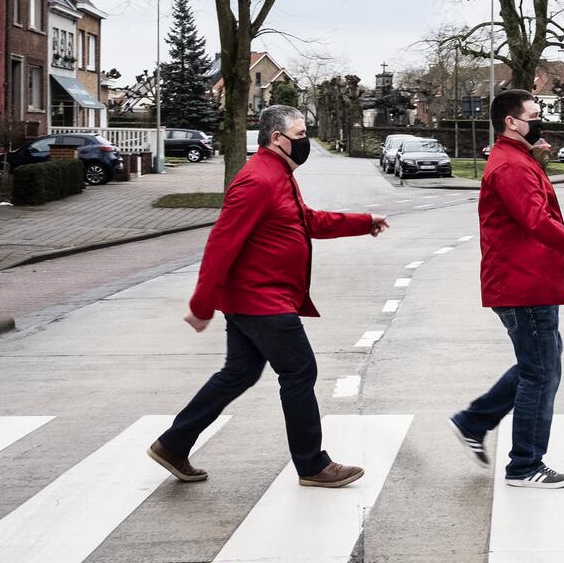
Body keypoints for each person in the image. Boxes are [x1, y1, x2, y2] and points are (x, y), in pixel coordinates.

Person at [148, 104, 389, 488]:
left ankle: (173, 444)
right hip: (261, 299)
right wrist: (201, 304)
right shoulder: (257, 179)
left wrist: (362, 222)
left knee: (239, 373)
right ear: (277, 139)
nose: (305, 141)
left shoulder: (278, 174)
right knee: (299, 371)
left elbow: (306, 220)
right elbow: (221, 243)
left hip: (257, 298)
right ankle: (313, 465)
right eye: (300, 134)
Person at [449, 89, 564, 488]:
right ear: (511, 123)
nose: (540, 120)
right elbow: (539, 225)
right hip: (522, 284)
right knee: (541, 372)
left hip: (530, 280)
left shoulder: (521, 161)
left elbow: (548, 221)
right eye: (533, 115)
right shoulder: (512, 167)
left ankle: (474, 421)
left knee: (541, 364)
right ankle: (524, 465)